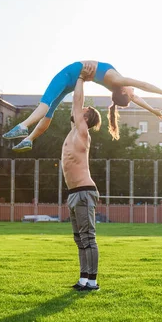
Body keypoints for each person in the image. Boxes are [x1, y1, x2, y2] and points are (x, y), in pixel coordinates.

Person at [2, 60, 162, 152]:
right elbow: (138, 98)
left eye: (131, 94)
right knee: (50, 112)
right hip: (75, 81)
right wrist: (153, 110)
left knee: (45, 104)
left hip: (69, 74)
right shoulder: (117, 88)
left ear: (125, 92)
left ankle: (22, 127)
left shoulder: (119, 81)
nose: (134, 93)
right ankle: (29, 140)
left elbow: (144, 85)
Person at [62, 77, 102, 291]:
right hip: (74, 193)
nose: (78, 109)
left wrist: (80, 79)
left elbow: (77, 101)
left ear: (85, 116)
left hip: (85, 192)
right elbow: (74, 105)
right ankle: (83, 279)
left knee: (88, 237)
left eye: (82, 109)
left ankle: (93, 281)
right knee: (79, 238)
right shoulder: (73, 131)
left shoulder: (82, 132)